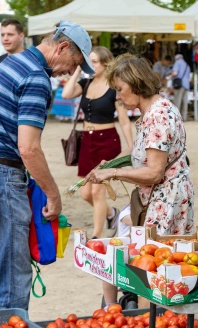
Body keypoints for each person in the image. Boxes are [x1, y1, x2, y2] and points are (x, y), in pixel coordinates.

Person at [0, 20, 93, 310]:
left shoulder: (13, 62)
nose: (72, 71)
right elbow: (29, 148)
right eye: (75, 63)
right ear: (62, 46)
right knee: (11, 276)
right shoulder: (36, 76)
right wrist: (54, 195)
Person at [87, 54, 194, 309]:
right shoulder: (150, 113)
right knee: (151, 266)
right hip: (159, 198)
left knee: (154, 273)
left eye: (120, 89)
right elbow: (143, 157)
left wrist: (112, 174)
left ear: (136, 84)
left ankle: (150, 327)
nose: (118, 97)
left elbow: (153, 172)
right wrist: (112, 164)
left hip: (166, 201)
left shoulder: (158, 115)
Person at [62, 46, 134, 240]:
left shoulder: (113, 89)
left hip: (106, 141)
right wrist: (77, 68)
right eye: (88, 61)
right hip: (87, 141)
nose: (90, 65)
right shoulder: (85, 84)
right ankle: (112, 214)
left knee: (97, 190)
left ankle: (96, 235)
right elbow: (66, 94)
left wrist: (131, 146)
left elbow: (124, 120)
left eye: (94, 61)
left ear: (105, 63)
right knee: (85, 193)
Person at [171, 54, 191, 121]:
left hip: (179, 84)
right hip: (186, 85)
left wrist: (170, 77)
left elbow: (175, 73)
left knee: (177, 101)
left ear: (176, 58)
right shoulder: (187, 65)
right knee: (185, 102)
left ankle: (177, 118)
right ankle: (184, 117)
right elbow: (189, 78)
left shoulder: (177, 63)